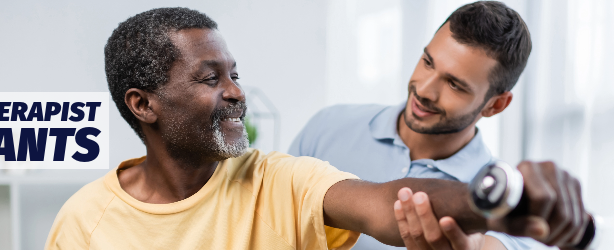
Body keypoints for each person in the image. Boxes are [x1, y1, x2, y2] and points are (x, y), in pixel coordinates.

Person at [45, 7, 589, 250]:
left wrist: (500, 198)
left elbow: (386, 203)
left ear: (495, 105)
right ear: (143, 105)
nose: (236, 91)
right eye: (211, 78)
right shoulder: (84, 222)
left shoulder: (278, 180)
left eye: (235, 74)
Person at [289, 1, 539, 249]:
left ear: (495, 105)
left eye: (454, 84)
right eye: (428, 62)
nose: (424, 89)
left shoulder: (500, 204)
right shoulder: (328, 127)